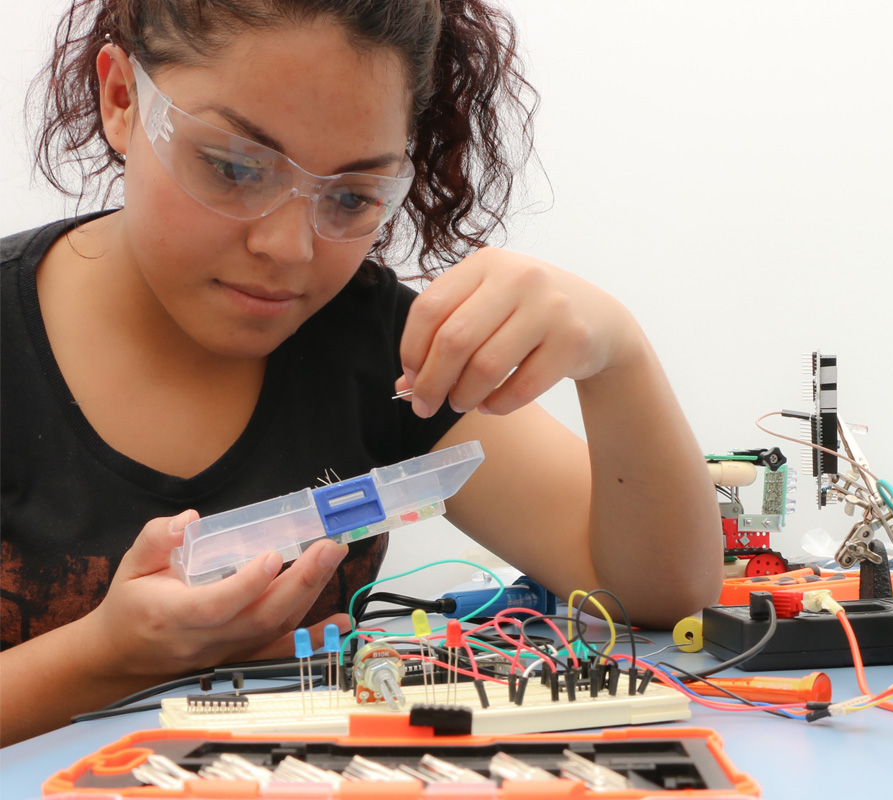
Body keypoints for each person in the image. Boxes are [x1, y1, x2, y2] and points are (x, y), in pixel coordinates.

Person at [0, 0, 722, 746]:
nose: (290, 248)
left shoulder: (370, 343)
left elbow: (654, 593)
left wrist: (618, 357)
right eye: (234, 167)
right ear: (122, 99)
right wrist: (110, 657)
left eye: (351, 196)